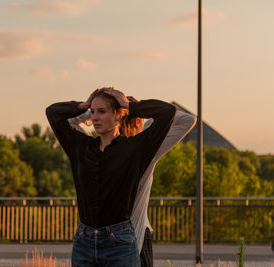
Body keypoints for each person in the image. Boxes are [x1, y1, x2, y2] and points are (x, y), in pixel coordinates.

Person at [46, 87, 176, 267]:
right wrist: (82, 105)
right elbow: (52, 112)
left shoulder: (135, 149)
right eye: (93, 112)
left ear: (118, 115)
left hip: (120, 243)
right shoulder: (80, 147)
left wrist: (129, 105)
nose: (94, 117)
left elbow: (167, 112)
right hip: (84, 241)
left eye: (102, 111)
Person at [69, 96, 196, 266]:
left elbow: (71, 122)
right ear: (137, 121)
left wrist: (90, 110)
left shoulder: (94, 150)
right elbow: (187, 120)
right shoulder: (146, 152)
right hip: (134, 241)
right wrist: (136, 107)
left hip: (99, 242)